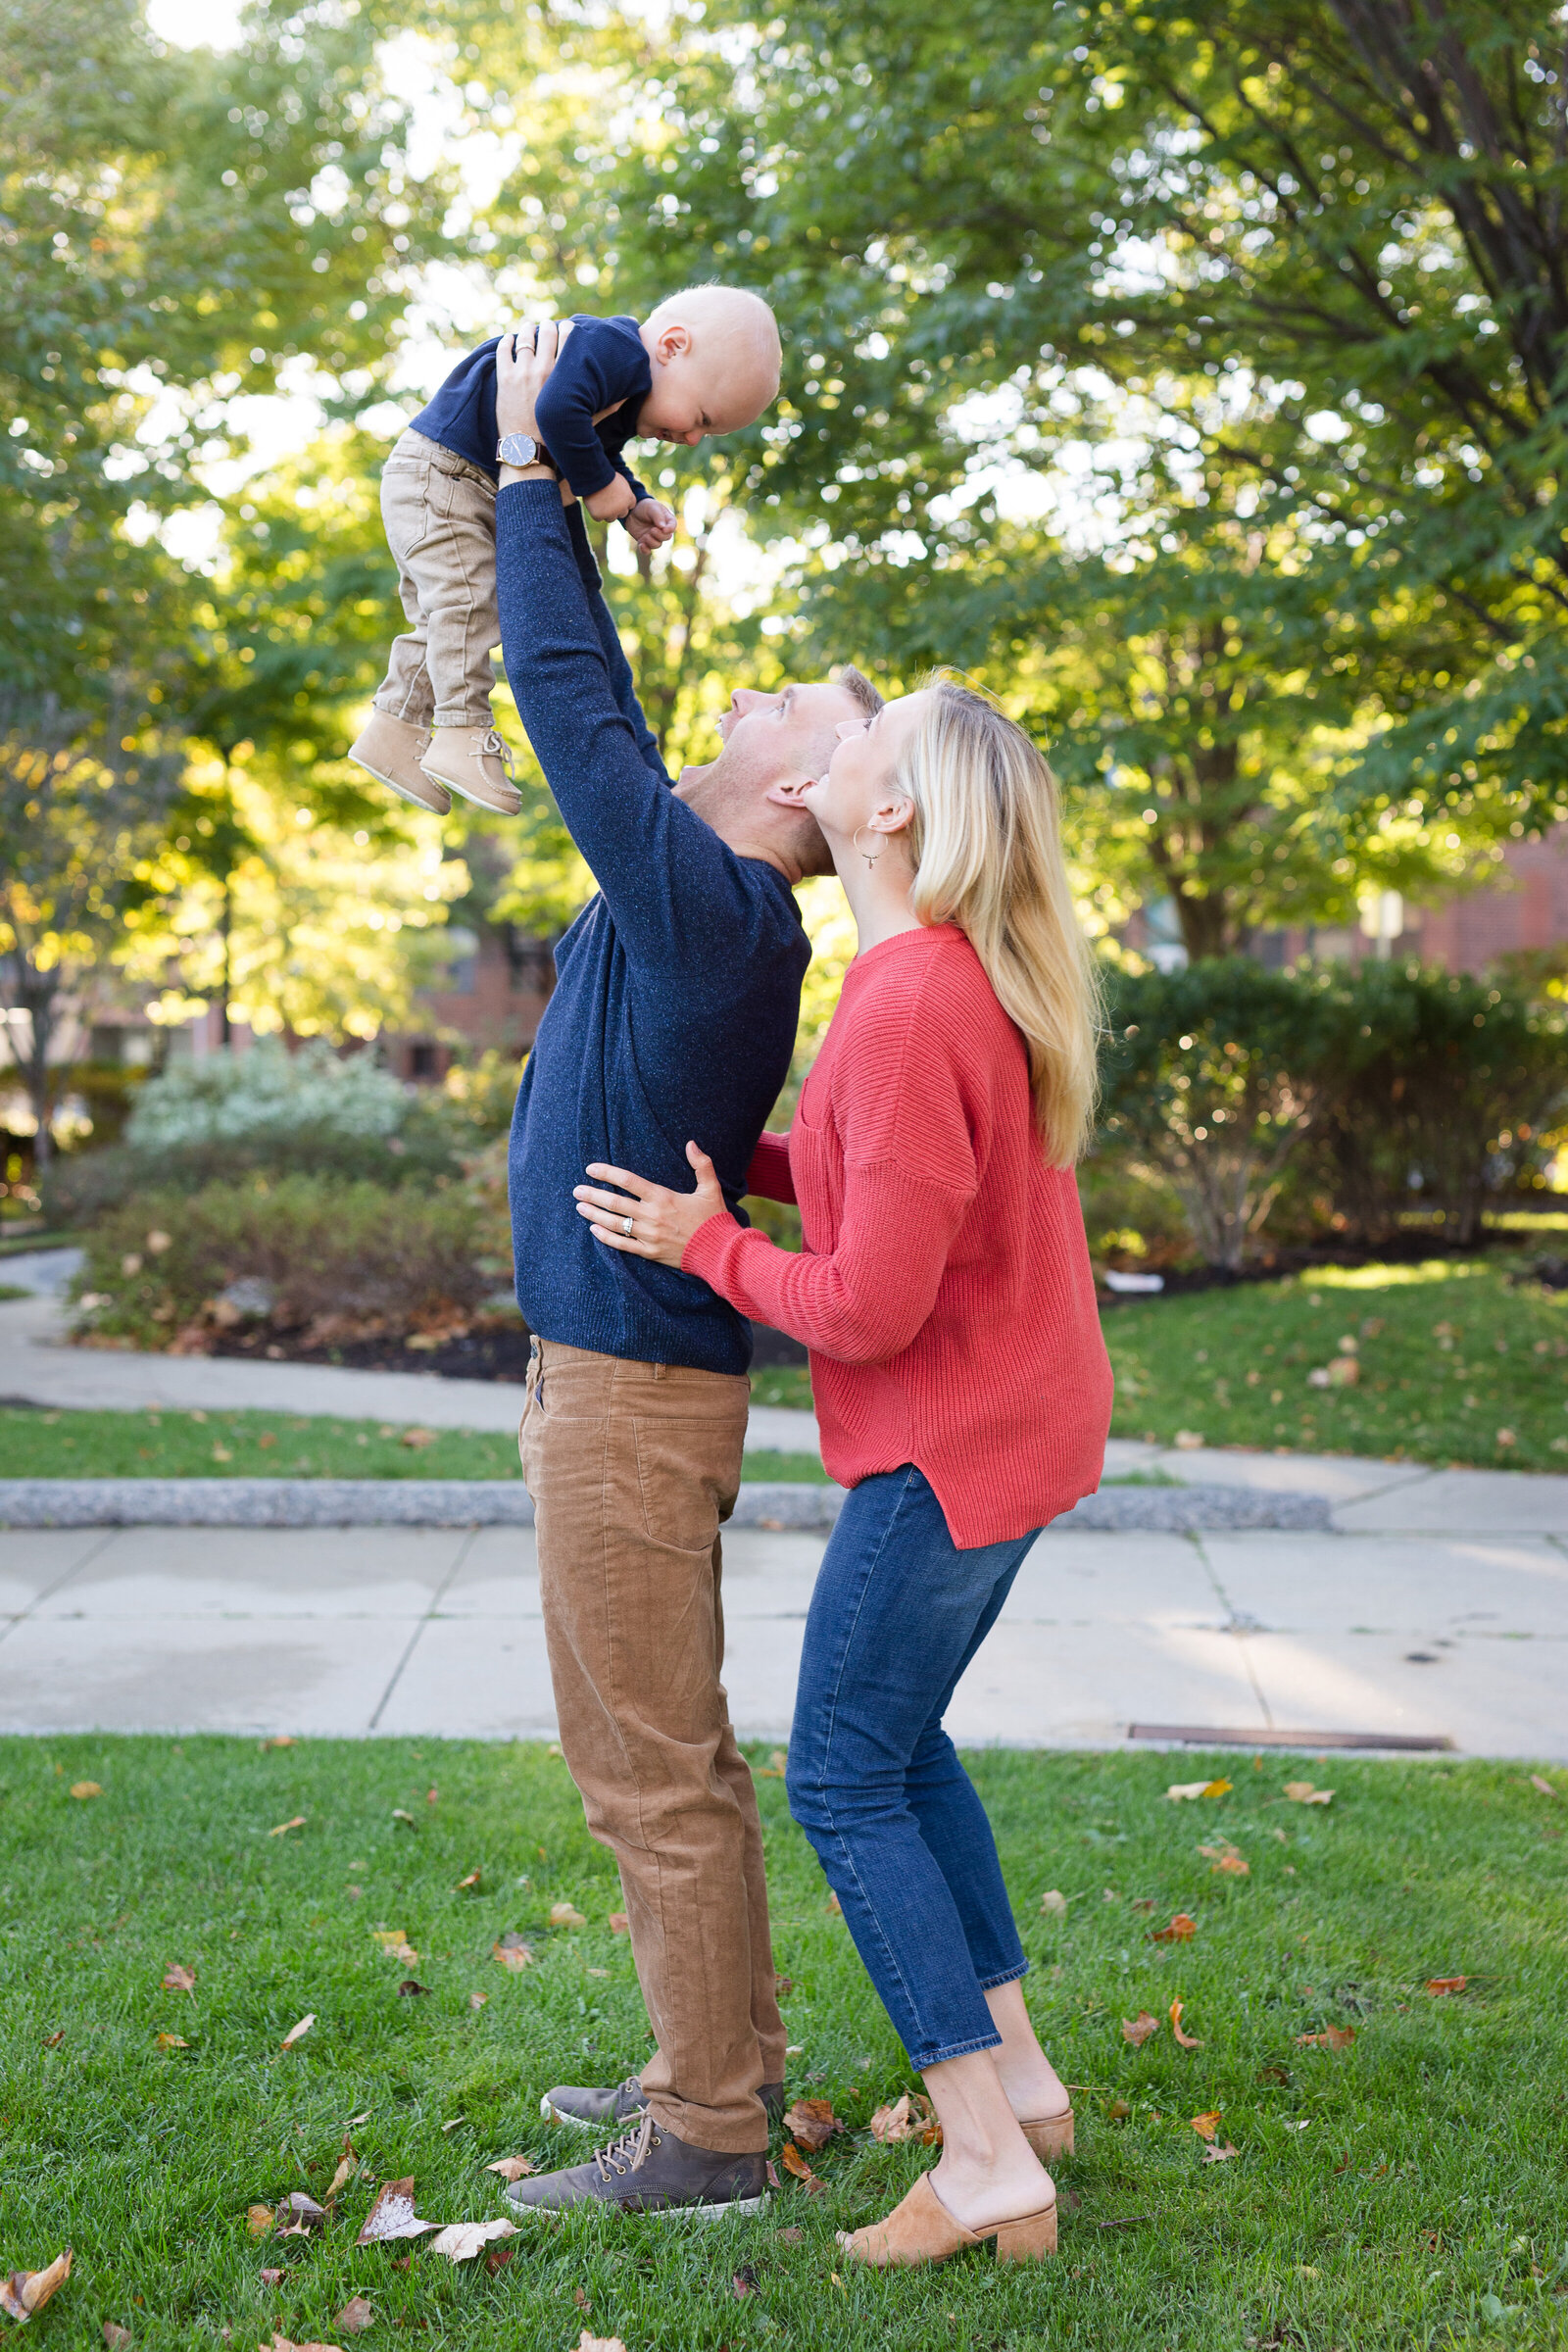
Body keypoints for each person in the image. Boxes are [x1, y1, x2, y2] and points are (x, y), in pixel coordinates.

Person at [571, 677, 1113, 2267]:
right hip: (1023, 1433)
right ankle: (1020, 2076)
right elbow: (900, 1188)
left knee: (845, 1775)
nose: (840, 721)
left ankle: (988, 2159)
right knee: (905, 1742)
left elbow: (868, 1302)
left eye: (878, 725)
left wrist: (710, 1244)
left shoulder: (899, 1003)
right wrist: (746, 1160)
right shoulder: (942, 982)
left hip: (949, 1453)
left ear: (887, 808)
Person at [484, 321, 883, 2224]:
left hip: (637, 1391)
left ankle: (711, 2135)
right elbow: (616, 730)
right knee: (629, 1751)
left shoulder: (726, 916)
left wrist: (516, 479)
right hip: (605, 1369)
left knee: (654, 1765)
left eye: (814, 696)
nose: (781, 683)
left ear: (807, 792)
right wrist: (571, 490)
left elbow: (574, 714)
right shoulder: (701, 880)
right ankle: (700, 2069)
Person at [349, 286, 780, 815]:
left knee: (445, 617)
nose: (693, 439)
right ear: (671, 346)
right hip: (442, 476)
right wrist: (601, 487)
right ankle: (464, 729)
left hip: (447, 480)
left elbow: (592, 446)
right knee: (470, 603)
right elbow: (556, 412)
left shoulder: (623, 390)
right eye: (704, 418)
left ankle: (393, 729)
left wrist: (632, 503)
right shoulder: (616, 349)